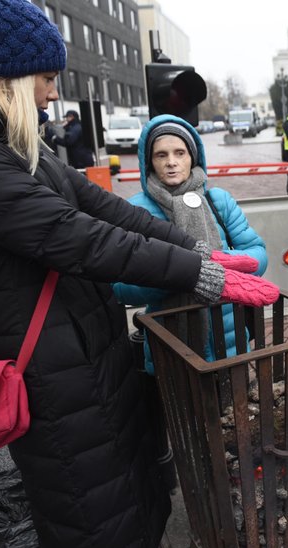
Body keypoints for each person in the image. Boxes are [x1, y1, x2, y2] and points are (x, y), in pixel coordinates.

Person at [0, 1, 277, 548]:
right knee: (93, 513)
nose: (53, 94)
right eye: (48, 78)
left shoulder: (14, 142)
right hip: (51, 367)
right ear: (14, 74)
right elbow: (74, 235)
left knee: (130, 489)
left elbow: (104, 209)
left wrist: (198, 249)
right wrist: (201, 274)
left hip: (84, 348)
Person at [114, 115, 269, 366]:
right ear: (149, 162)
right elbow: (120, 286)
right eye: (161, 155)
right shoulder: (134, 211)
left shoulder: (218, 200)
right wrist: (178, 274)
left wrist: (211, 265)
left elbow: (258, 255)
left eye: (180, 153)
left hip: (230, 341)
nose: (171, 163)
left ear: (193, 157)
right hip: (169, 348)